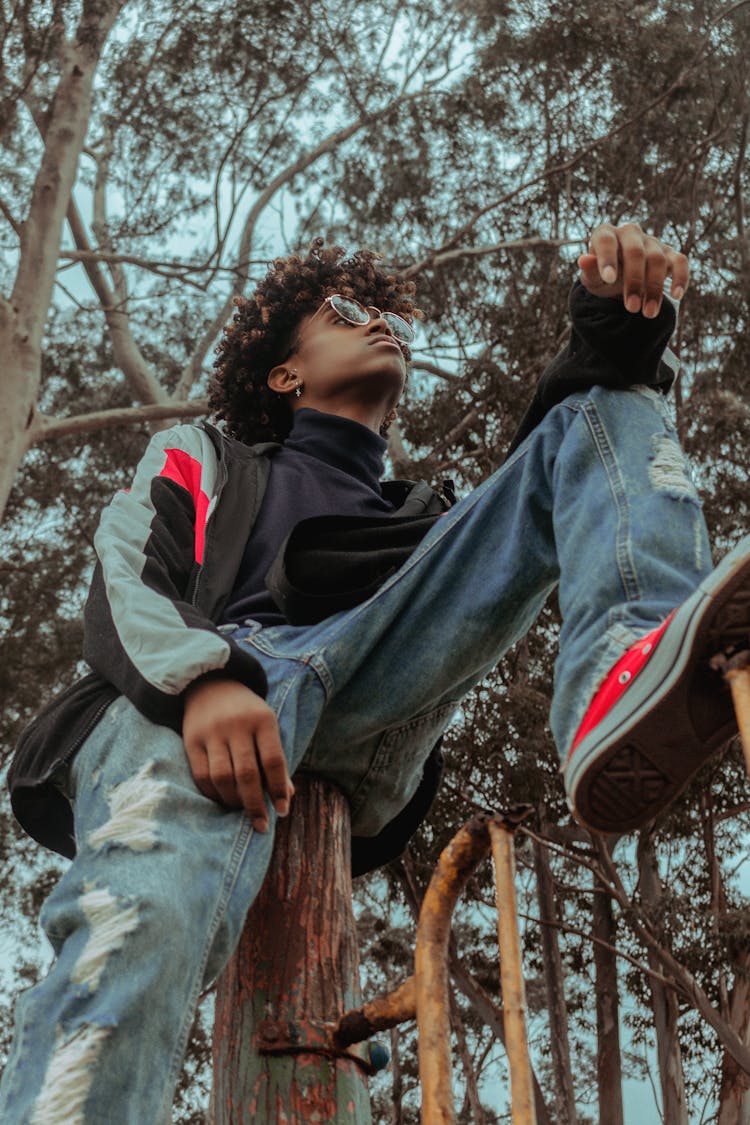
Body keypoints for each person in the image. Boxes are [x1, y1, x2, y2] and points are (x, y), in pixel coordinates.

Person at [2, 222, 748, 1123]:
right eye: (348, 313)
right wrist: (201, 678)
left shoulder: (415, 516)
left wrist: (613, 328)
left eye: (393, 317)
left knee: (614, 401)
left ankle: (624, 662)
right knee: (141, 913)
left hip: (369, 695)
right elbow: (128, 568)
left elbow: (535, 472)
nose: (384, 325)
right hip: (215, 686)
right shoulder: (213, 455)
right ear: (286, 374)